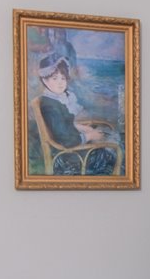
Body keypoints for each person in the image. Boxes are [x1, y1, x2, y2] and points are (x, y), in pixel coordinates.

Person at [29, 32, 118, 175]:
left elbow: (64, 125)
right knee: (114, 152)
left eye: (63, 78)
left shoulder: (53, 101)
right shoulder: (50, 106)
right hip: (69, 158)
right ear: (45, 80)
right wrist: (90, 136)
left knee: (108, 136)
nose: (60, 83)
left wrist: (82, 128)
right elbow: (66, 140)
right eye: (55, 78)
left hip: (71, 151)